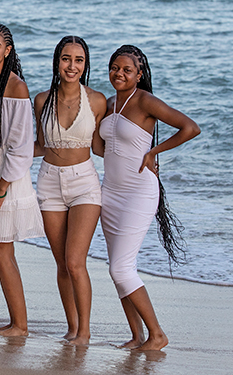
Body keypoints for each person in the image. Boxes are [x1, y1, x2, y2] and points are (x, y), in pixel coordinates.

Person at [94, 45, 200, 351]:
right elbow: (101, 148)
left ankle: (157, 335)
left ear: (139, 75)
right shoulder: (110, 103)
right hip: (110, 192)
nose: (119, 73)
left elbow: (190, 128)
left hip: (138, 191)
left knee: (120, 268)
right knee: (118, 269)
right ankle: (137, 336)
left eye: (127, 70)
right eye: (115, 68)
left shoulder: (145, 101)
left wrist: (154, 152)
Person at [33, 36, 107, 346]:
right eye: (66, 59)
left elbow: (101, 147)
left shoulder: (98, 101)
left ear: (85, 64)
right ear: (57, 62)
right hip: (49, 181)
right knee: (62, 263)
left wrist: (144, 155)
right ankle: (72, 328)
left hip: (84, 183)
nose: (72, 66)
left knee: (75, 262)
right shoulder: (41, 100)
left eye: (78, 60)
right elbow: (38, 145)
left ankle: (85, 332)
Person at [0, 23, 44, 336]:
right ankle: (16, 322)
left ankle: (20, 325)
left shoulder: (16, 87)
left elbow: (21, 147)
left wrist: (0, 189)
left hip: (4, 178)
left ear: (8, 51)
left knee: (0, 253)